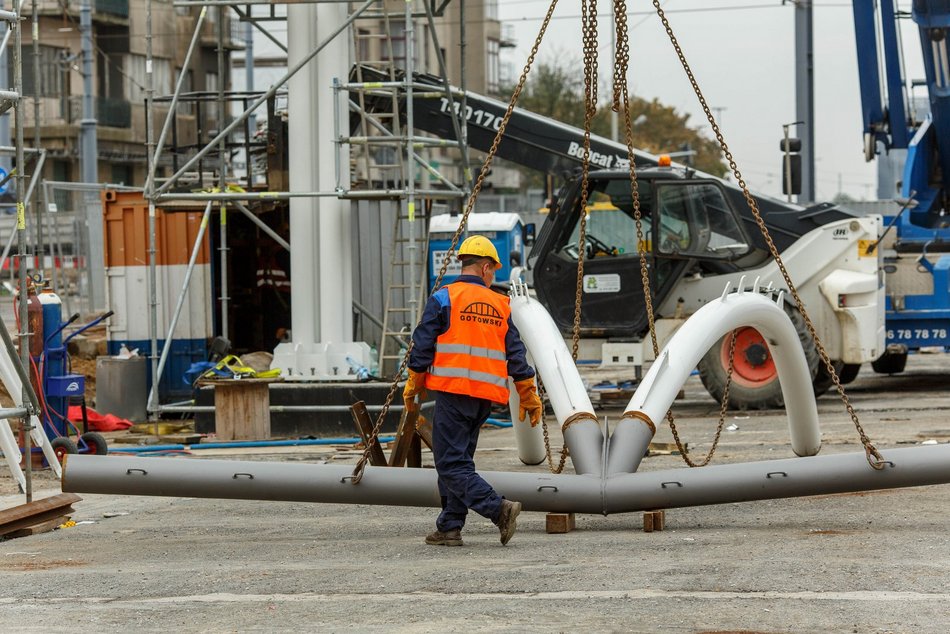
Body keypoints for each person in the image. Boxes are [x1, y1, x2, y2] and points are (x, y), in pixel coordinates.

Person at [403, 235, 543, 547]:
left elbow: (423, 342)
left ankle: (499, 510)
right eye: (493, 269)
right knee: (458, 461)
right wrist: (528, 393)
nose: (493, 275)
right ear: (483, 268)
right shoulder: (501, 305)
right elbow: (516, 355)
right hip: (484, 400)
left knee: (451, 465)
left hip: (454, 394)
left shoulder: (444, 298)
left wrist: (414, 382)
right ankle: (450, 527)